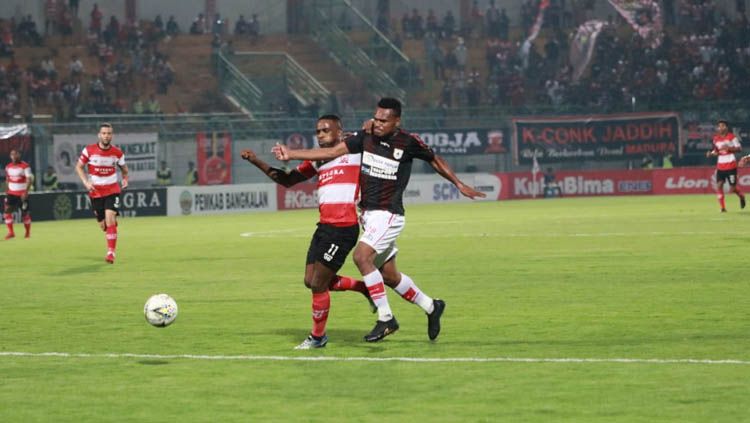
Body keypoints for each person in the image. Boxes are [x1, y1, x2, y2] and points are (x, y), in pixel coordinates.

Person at [273, 98, 487, 342]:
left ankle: (386, 318)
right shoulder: (364, 137)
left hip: (389, 214)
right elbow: (332, 151)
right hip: (368, 215)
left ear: (397, 121)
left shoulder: (408, 141)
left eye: (384, 120)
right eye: (376, 118)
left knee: (361, 257)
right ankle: (432, 306)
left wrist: (459, 184)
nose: (378, 123)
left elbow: (435, 160)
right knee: (389, 276)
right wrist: (291, 154)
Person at [242, 115, 375, 349]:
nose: (321, 134)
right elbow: (286, 180)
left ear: (340, 131)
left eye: (326, 130)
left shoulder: (354, 148)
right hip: (324, 227)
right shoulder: (317, 160)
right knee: (310, 281)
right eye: (318, 131)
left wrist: (370, 125)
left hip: (343, 228)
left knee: (318, 285)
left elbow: (373, 132)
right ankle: (365, 288)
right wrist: (256, 161)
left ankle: (318, 337)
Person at [75, 123, 129, 263]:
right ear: (99, 135)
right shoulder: (89, 150)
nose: (106, 136)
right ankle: (110, 229)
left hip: (112, 190)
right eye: (104, 133)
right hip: (95, 192)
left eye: (109, 133)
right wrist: (86, 182)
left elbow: (124, 169)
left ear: (112, 135)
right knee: (103, 225)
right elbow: (79, 167)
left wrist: (125, 179)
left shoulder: (117, 153)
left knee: (110, 217)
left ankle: (111, 252)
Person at [707, 120, 745, 212]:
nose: (720, 128)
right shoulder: (716, 139)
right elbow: (716, 151)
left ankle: (741, 196)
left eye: (723, 126)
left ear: (726, 127)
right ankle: (723, 208)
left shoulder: (732, 137)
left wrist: (729, 149)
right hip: (720, 166)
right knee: (719, 185)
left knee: (732, 188)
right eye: (719, 126)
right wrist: (711, 153)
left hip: (731, 165)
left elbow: (739, 148)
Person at [3, 149, 33, 239]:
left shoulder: (25, 166)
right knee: (7, 212)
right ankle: (11, 232)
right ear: (10, 156)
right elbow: (8, 179)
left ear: (19, 155)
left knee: (25, 214)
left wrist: (26, 192)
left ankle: (27, 233)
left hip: (22, 194)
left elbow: (29, 180)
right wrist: (7, 189)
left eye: (16, 154)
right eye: (12, 154)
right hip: (11, 193)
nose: (14, 156)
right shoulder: (8, 167)